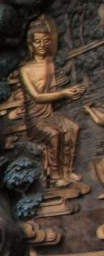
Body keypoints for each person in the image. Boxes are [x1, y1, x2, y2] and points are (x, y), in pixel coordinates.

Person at [18, 15, 85, 187]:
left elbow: (56, 88)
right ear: (30, 44)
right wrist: (64, 93)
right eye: (37, 41)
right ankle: (56, 175)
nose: (41, 45)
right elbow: (37, 97)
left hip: (51, 113)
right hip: (36, 119)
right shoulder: (25, 70)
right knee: (54, 134)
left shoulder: (51, 64)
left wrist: (73, 90)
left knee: (73, 128)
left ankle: (68, 171)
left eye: (45, 41)